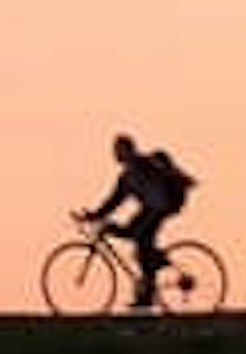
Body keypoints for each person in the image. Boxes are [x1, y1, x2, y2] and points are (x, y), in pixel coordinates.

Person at [76, 131, 194, 309]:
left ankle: (151, 279)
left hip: (164, 205)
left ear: (127, 150)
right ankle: (148, 286)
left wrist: (180, 178)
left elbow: (167, 168)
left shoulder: (143, 163)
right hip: (151, 208)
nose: (115, 154)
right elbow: (114, 201)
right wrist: (93, 216)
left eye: (118, 150)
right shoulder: (126, 178)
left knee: (141, 241)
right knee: (134, 237)